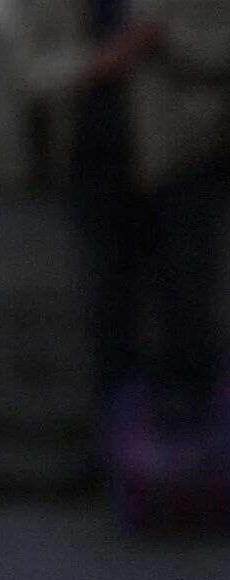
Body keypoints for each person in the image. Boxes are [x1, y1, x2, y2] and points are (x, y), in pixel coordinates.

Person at [18, 0, 229, 430]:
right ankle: (119, 443)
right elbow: (29, 69)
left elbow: (217, 48)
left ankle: (195, 447)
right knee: (107, 310)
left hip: (179, 161)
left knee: (187, 304)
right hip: (92, 171)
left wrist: (162, 38)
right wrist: (96, 60)